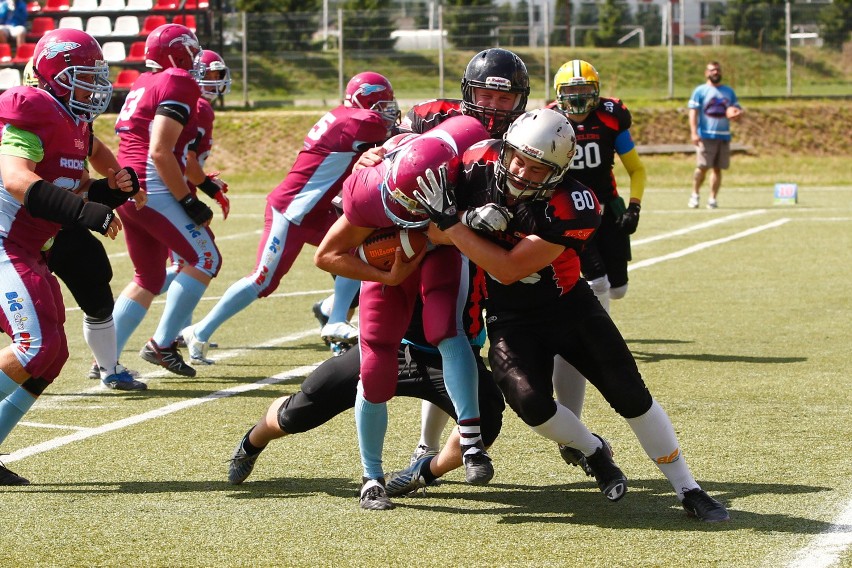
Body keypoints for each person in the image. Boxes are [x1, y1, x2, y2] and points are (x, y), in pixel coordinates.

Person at [407, 108, 730, 522]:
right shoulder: (477, 165)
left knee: (631, 395)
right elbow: (425, 222)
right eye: (518, 159)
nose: (521, 172)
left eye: (537, 168)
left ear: (557, 173)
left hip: (569, 309)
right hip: (508, 318)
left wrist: (454, 223)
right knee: (530, 404)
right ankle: (593, 449)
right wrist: (457, 215)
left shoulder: (574, 203)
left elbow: (507, 268)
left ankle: (688, 488)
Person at [313, 115, 492, 510]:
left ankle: (472, 441)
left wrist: (449, 225)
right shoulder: (367, 191)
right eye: (403, 203)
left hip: (443, 243)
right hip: (396, 259)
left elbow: (452, 231)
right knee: (376, 364)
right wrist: (387, 275)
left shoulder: (471, 156)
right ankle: (371, 476)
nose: (409, 210)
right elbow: (326, 255)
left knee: (446, 326)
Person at [180, 72, 399, 364]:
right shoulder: (362, 121)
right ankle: (199, 330)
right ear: (366, 99)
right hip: (292, 209)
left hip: (316, 210)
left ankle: (335, 319)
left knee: (357, 250)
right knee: (262, 279)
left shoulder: (346, 116)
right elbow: (391, 145)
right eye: (383, 104)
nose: (388, 111)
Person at [0, 29, 136, 483]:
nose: (93, 89)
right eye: (83, 79)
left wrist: (105, 192)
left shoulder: (73, 123)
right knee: (36, 346)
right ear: (54, 76)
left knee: (52, 354)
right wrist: (85, 210)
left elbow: (67, 187)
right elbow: (16, 179)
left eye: (97, 78)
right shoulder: (32, 109)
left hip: (30, 247)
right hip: (3, 243)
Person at [226, 294, 506, 492]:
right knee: (300, 410)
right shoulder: (402, 227)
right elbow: (331, 253)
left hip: (453, 354)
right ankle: (253, 441)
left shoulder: (477, 234)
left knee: (486, 422)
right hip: (392, 345)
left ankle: (423, 471)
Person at [548, 59, 648, 466]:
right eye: (568, 96)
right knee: (599, 284)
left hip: (605, 208)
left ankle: (592, 322)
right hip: (569, 212)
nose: (576, 103)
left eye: (582, 94)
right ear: (557, 97)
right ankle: (592, 334)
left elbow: (635, 167)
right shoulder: (549, 122)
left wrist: (635, 204)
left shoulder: (611, 117)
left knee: (618, 287)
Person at [110, 23, 215, 379]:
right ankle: (163, 343)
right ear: (177, 53)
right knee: (205, 257)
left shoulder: (143, 82)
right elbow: (160, 150)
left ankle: (104, 358)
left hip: (127, 187)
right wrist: (188, 201)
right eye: (191, 52)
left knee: (149, 276)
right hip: (151, 186)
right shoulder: (177, 81)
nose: (195, 59)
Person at [160, 49, 232, 342]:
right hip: (175, 192)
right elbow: (188, 163)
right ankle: (164, 336)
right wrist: (208, 188)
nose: (216, 82)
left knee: (187, 263)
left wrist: (204, 182)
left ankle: (176, 333)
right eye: (210, 75)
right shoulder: (199, 107)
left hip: (173, 188)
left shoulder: (196, 104)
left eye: (218, 76)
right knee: (194, 262)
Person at [688, 61, 743, 209]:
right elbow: (693, 112)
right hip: (706, 135)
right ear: (707, 73)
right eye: (712, 70)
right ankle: (695, 194)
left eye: (717, 70)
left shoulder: (728, 91)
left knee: (718, 168)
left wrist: (737, 114)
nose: (715, 73)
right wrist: (693, 132)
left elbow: (737, 109)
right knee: (702, 167)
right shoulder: (700, 91)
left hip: (723, 135)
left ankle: (712, 198)